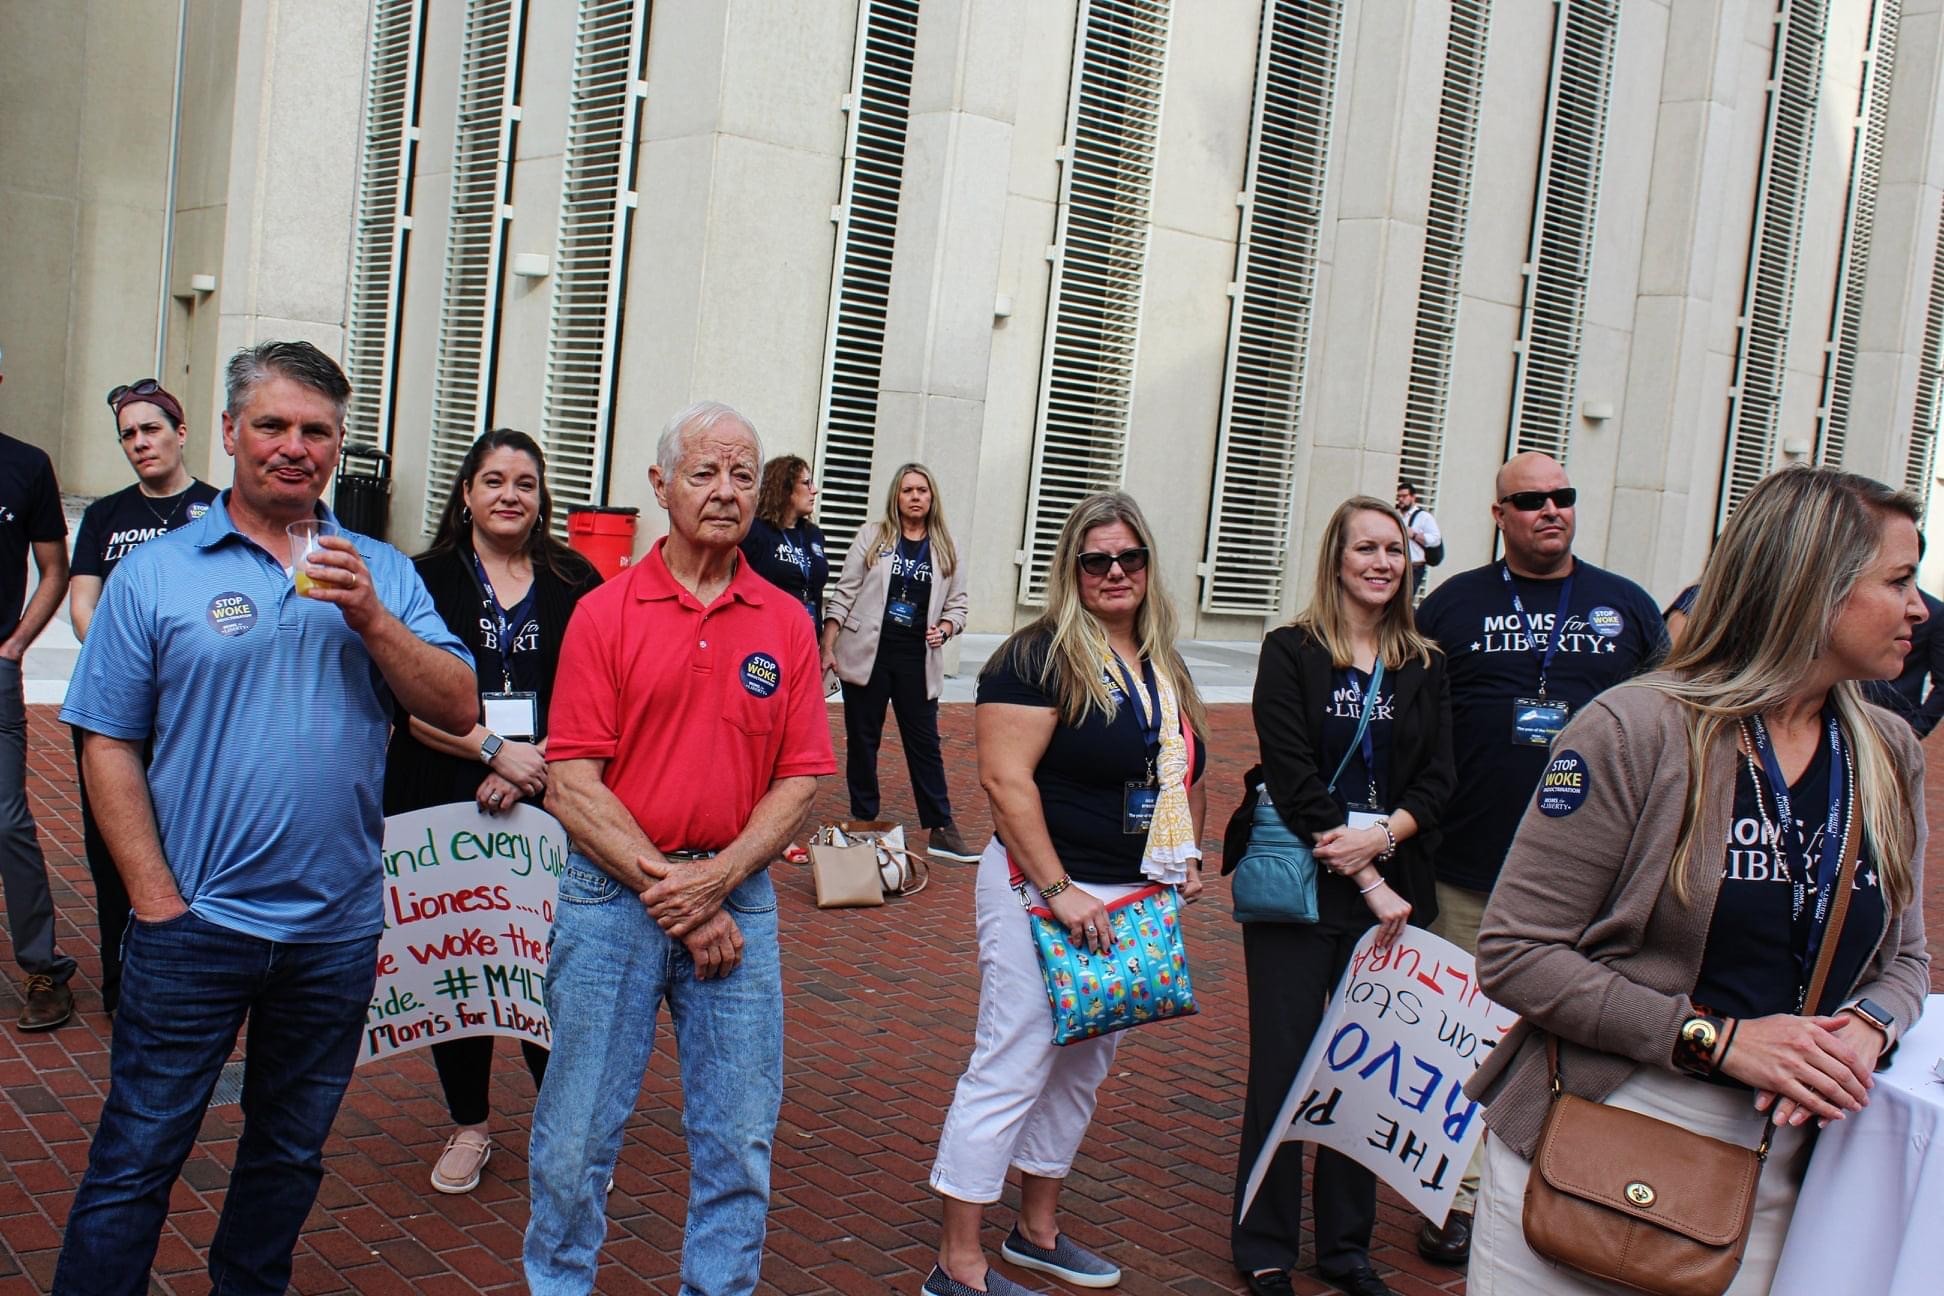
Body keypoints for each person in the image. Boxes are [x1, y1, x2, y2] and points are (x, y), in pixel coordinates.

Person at [51, 340, 476, 1293]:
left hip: (335, 932)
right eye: (274, 425)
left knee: (287, 1157)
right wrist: (156, 902)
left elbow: (457, 705)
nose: (295, 446)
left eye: (317, 430)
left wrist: (373, 618)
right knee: (137, 1158)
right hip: (195, 926)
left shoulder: (380, 571)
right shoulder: (157, 573)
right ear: (232, 432)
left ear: (338, 445)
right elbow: (106, 740)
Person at [1464, 465, 1931, 1295]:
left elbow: (1907, 963)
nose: (1920, 608)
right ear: (1814, 588)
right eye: (1898, 581)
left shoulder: (1887, 752)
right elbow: (1516, 953)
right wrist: (1720, 1040)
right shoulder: (1635, 729)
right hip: (1596, 1136)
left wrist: (1868, 1026)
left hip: (1775, 1171)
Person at [524, 401, 834, 1295]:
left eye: (743, 473)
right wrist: (687, 898)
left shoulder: (785, 620)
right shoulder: (605, 612)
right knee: (576, 1137)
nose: (726, 490)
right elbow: (573, 783)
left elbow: (799, 781)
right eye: (705, 472)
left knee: (739, 1139)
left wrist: (718, 881)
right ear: (661, 486)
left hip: (737, 897)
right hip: (610, 900)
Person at [925, 491, 1209, 1296]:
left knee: (1080, 1070)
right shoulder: (1035, 656)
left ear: (1149, 564)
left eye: (1130, 558)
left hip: (1127, 899)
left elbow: (1182, 770)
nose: (1115, 572)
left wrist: (1185, 854)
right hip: (1041, 891)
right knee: (1013, 1062)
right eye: (1096, 561)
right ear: (1071, 570)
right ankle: (957, 1262)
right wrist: (1058, 889)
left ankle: (1037, 1231)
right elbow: (1004, 782)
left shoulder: (1160, 659)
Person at [1410, 450, 1665, 1264]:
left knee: (1577, 1037)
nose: (1550, 510)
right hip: (1470, 865)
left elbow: (1671, 730)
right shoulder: (1453, 606)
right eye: (1529, 501)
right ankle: (1455, 1195)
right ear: (1499, 516)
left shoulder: (1626, 607)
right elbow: (1415, 726)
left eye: (1562, 495)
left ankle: (1563, 1184)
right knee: (1465, 1036)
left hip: (1596, 879)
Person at [1224, 498, 1454, 1296]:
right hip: (1302, 888)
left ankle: (1346, 1248)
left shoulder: (1425, 661)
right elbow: (1290, 773)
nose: (1382, 562)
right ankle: (1264, 1243)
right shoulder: (1291, 651)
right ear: (1336, 559)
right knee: (1285, 1067)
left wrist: (1383, 838)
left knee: (1364, 1073)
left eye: (1394, 549)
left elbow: (1441, 779)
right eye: (1366, 548)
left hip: (1389, 891)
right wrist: (1363, 868)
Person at [383, 428, 602, 1195]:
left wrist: (534, 758)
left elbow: (603, 691)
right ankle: (470, 1124)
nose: (510, 494)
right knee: (461, 964)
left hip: (549, 793)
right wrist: (493, 751)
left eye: (525, 483)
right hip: (441, 794)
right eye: (495, 480)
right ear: (467, 493)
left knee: (548, 966)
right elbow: (407, 699)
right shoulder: (423, 578)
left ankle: (564, 1128)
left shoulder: (576, 580)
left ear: (542, 499)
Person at [68, 379, 219, 1016]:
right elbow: (83, 606)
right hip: (119, 700)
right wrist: (133, 660)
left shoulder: (218, 509)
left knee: (191, 836)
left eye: (150, 429)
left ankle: (199, 977)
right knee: (116, 842)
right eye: (128, 434)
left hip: (191, 705)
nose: (139, 443)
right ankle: (121, 980)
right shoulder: (106, 516)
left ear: (180, 433)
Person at [822, 463, 976, 861]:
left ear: (931, 496)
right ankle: (864, 820)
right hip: (869, 652)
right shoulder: (873, 536)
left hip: (917, 657)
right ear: (897, 496)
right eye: (908, 490)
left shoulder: (946, 546)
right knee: (863, 740)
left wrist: (945, 629)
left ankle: (941, 827)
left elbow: (958, 606)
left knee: (925, 743)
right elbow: (845, 592)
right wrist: (827, 646)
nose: (915, 497)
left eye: (922, 490)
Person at [0, 347, 75, 1032]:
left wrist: (17, 644)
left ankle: (43, 968)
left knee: (8, 821)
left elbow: (54, 567)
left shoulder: (26, 465)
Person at [1862, 539, 1944, 736]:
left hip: (1895, 724)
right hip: (1844, 718)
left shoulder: (1934, 612)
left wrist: (1917, 728)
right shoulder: (1863, 601)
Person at [740, 454, 828, 623]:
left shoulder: (813, 534)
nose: (814, 490)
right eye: (806, 483)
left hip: (807, 630)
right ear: (784, 488)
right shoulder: (755, 531)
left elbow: (816, 589)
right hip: (768, 628)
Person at [1396, 478, 1442, 597]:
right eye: (1399, 496)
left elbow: (1436, 539)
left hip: (1414, 567)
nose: (1400, 499)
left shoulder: (1424, 517)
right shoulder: (1397, 516)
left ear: (1413, 497)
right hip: (1398, 565)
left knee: (1405, 598)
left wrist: (1414, 535)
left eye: (1404, 496)